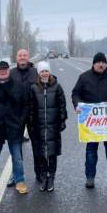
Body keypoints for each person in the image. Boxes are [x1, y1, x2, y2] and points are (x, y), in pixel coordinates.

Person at [72, 52, 107, 188]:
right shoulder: (84, 78)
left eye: (103, 62)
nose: (101, 64)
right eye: (98, 62)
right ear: (93, 64)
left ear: (106, 64)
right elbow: (76, 93)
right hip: (91, 122)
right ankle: (90, 177)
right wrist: (77, 104)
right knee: (91, 151)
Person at [0, 61, 29, 200]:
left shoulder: (19, 86)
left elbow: (25, 106)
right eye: (0, 69)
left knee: (17, 158)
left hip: (14, 126)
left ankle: (19, 181)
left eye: (5, 69)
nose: (3, 71)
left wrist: (21, 122)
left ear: (9, 70)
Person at [29, 61, 67, 192]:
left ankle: (51, 178)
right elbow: (31, 108)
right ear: (39, 73)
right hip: (39, 127)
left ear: (49, 72)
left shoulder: (57, 87)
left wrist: (62, 120)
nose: (44, 73)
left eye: (46, 71)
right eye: (42, 71)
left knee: (51, 154)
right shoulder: (34, 88)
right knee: (41, 154)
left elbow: (62, 105)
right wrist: (31, 123)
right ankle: (44, 176)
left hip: (53, 126)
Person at [8, 49, 39, 186]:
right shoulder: (11, 73)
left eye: (25, 55)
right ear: (16, 58)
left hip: (33, 113)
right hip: (16, 114)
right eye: (20, 55)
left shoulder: (35, 72)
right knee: (16, 146)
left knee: (37, 145)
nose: (22, 58)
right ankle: (16, 176)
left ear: (28, 57)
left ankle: (40, 173)